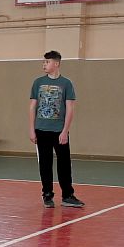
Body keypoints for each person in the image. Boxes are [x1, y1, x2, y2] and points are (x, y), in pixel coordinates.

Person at [28, 51, 85, 209]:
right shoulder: (38, 82)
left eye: (47, 62)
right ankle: (47, 194)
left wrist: (65, 131)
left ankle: (67, 195)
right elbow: (32, 107)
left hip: (59, 130)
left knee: (64, 164)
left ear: (56, 63)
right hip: (41, 129)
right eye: (44, 62)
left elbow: (70, 108)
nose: (44, 65)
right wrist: (31, 129)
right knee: (45, 164)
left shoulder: (66, 83)